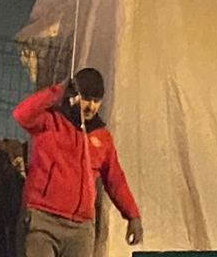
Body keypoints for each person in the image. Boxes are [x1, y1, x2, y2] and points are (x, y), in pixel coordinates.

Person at [12, 68, 142, 257]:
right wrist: (56, 91)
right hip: (42, 220)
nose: (91, 106)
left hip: (80, 229)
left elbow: (115, 179)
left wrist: (132, 215)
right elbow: (21, 114)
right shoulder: (49, 122)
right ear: (73, 96)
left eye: (96, 101)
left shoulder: (102, 137)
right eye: (86, 98)